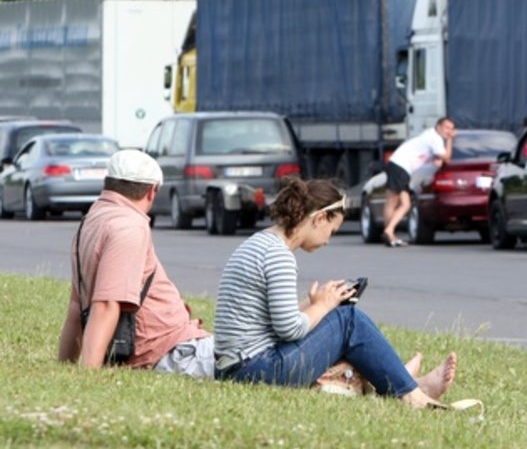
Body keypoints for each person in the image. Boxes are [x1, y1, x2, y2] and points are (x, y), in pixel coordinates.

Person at [212, 177, 459, 409]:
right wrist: (323, 306)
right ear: (319, 218)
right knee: (347, 319)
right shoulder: (279, 256)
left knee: (338, 314)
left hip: (234, 367)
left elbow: (268, 323)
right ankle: (411, 394)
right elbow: (288, 330)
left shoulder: (260, 242)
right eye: (332, 230)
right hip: (255, 369)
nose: (328, 241)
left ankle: (405, 382)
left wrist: (313, 304)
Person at [57, 149, 213, 377]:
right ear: (152, 191)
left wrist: (64, 366)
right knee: (267, 358)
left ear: (107, 184)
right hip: (171, 351)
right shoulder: (129, 226)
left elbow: (76, 307)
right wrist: (87, 376)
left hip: (170, 347)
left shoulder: (90, 222)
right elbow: (107, 303)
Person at [382, 117, 456, 247]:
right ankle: (389, 231)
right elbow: (447, 158)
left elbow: (429, 156)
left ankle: (389, 233)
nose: (449, 131)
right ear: (438, 126)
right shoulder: (436, 138)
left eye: (451, 129)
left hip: (398, 165)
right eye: (446, 128)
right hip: (401, 166)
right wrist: (450, 140)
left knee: (404, 204)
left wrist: (435, 158)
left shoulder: (430, 135)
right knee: (393, 202)